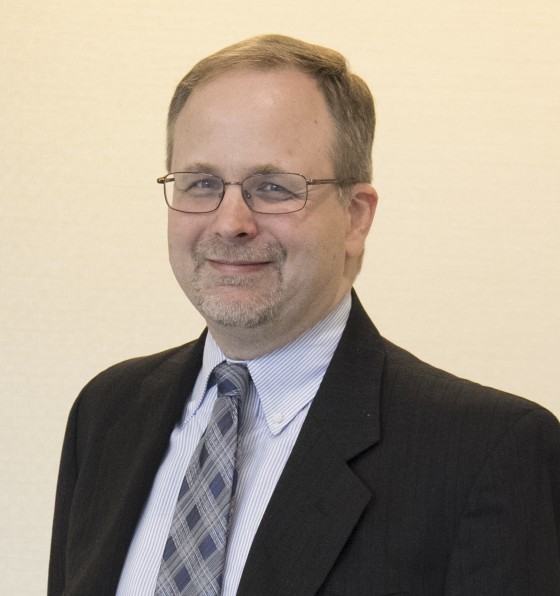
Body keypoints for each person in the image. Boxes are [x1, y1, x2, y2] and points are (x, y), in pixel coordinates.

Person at [48, 34, 560, 596]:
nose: (229, 222)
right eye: (201, 184)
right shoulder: (108, 413)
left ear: (356, 217)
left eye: (273, 187)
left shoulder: (488, 452)